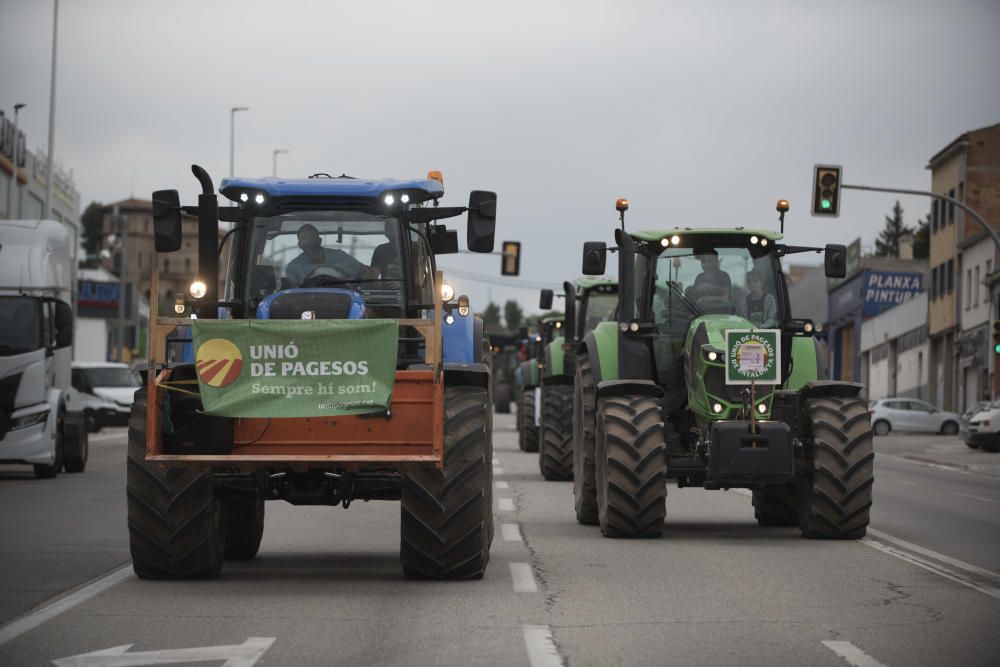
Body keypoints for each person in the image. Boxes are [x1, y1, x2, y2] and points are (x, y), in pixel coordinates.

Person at [284, 224, 370, 286]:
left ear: (319, 240)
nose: (309, 241)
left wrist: (354, 283)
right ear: (300, 245)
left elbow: (365, 272)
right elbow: (291, 292)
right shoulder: (293, 268)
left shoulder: (341, 257)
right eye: (304, 239)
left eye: (312, 237)